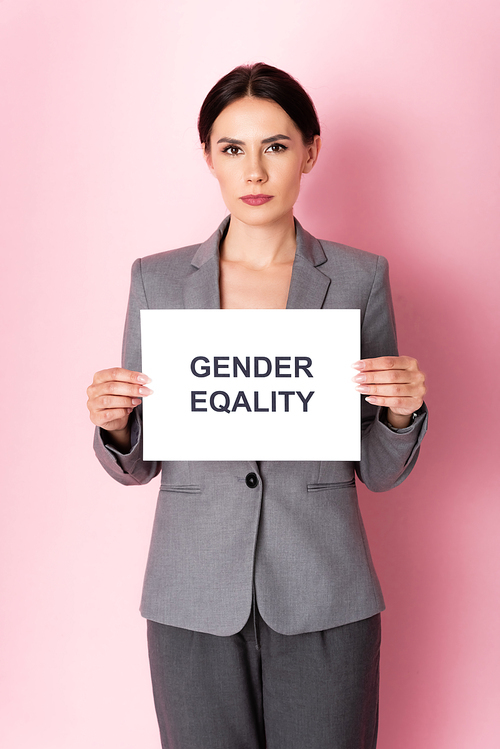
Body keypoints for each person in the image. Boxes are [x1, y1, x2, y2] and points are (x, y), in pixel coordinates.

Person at [87, 63, 427, 749]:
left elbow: (381, 471)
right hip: (192, 595)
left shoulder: (361, 278)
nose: (256, 171)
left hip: (325, 590)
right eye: (232, 148)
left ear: (310, 150)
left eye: (275, 145)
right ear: (208, 155)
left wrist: (400, 413)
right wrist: (116, 424)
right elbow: (137, 465)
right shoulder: (155, 280)